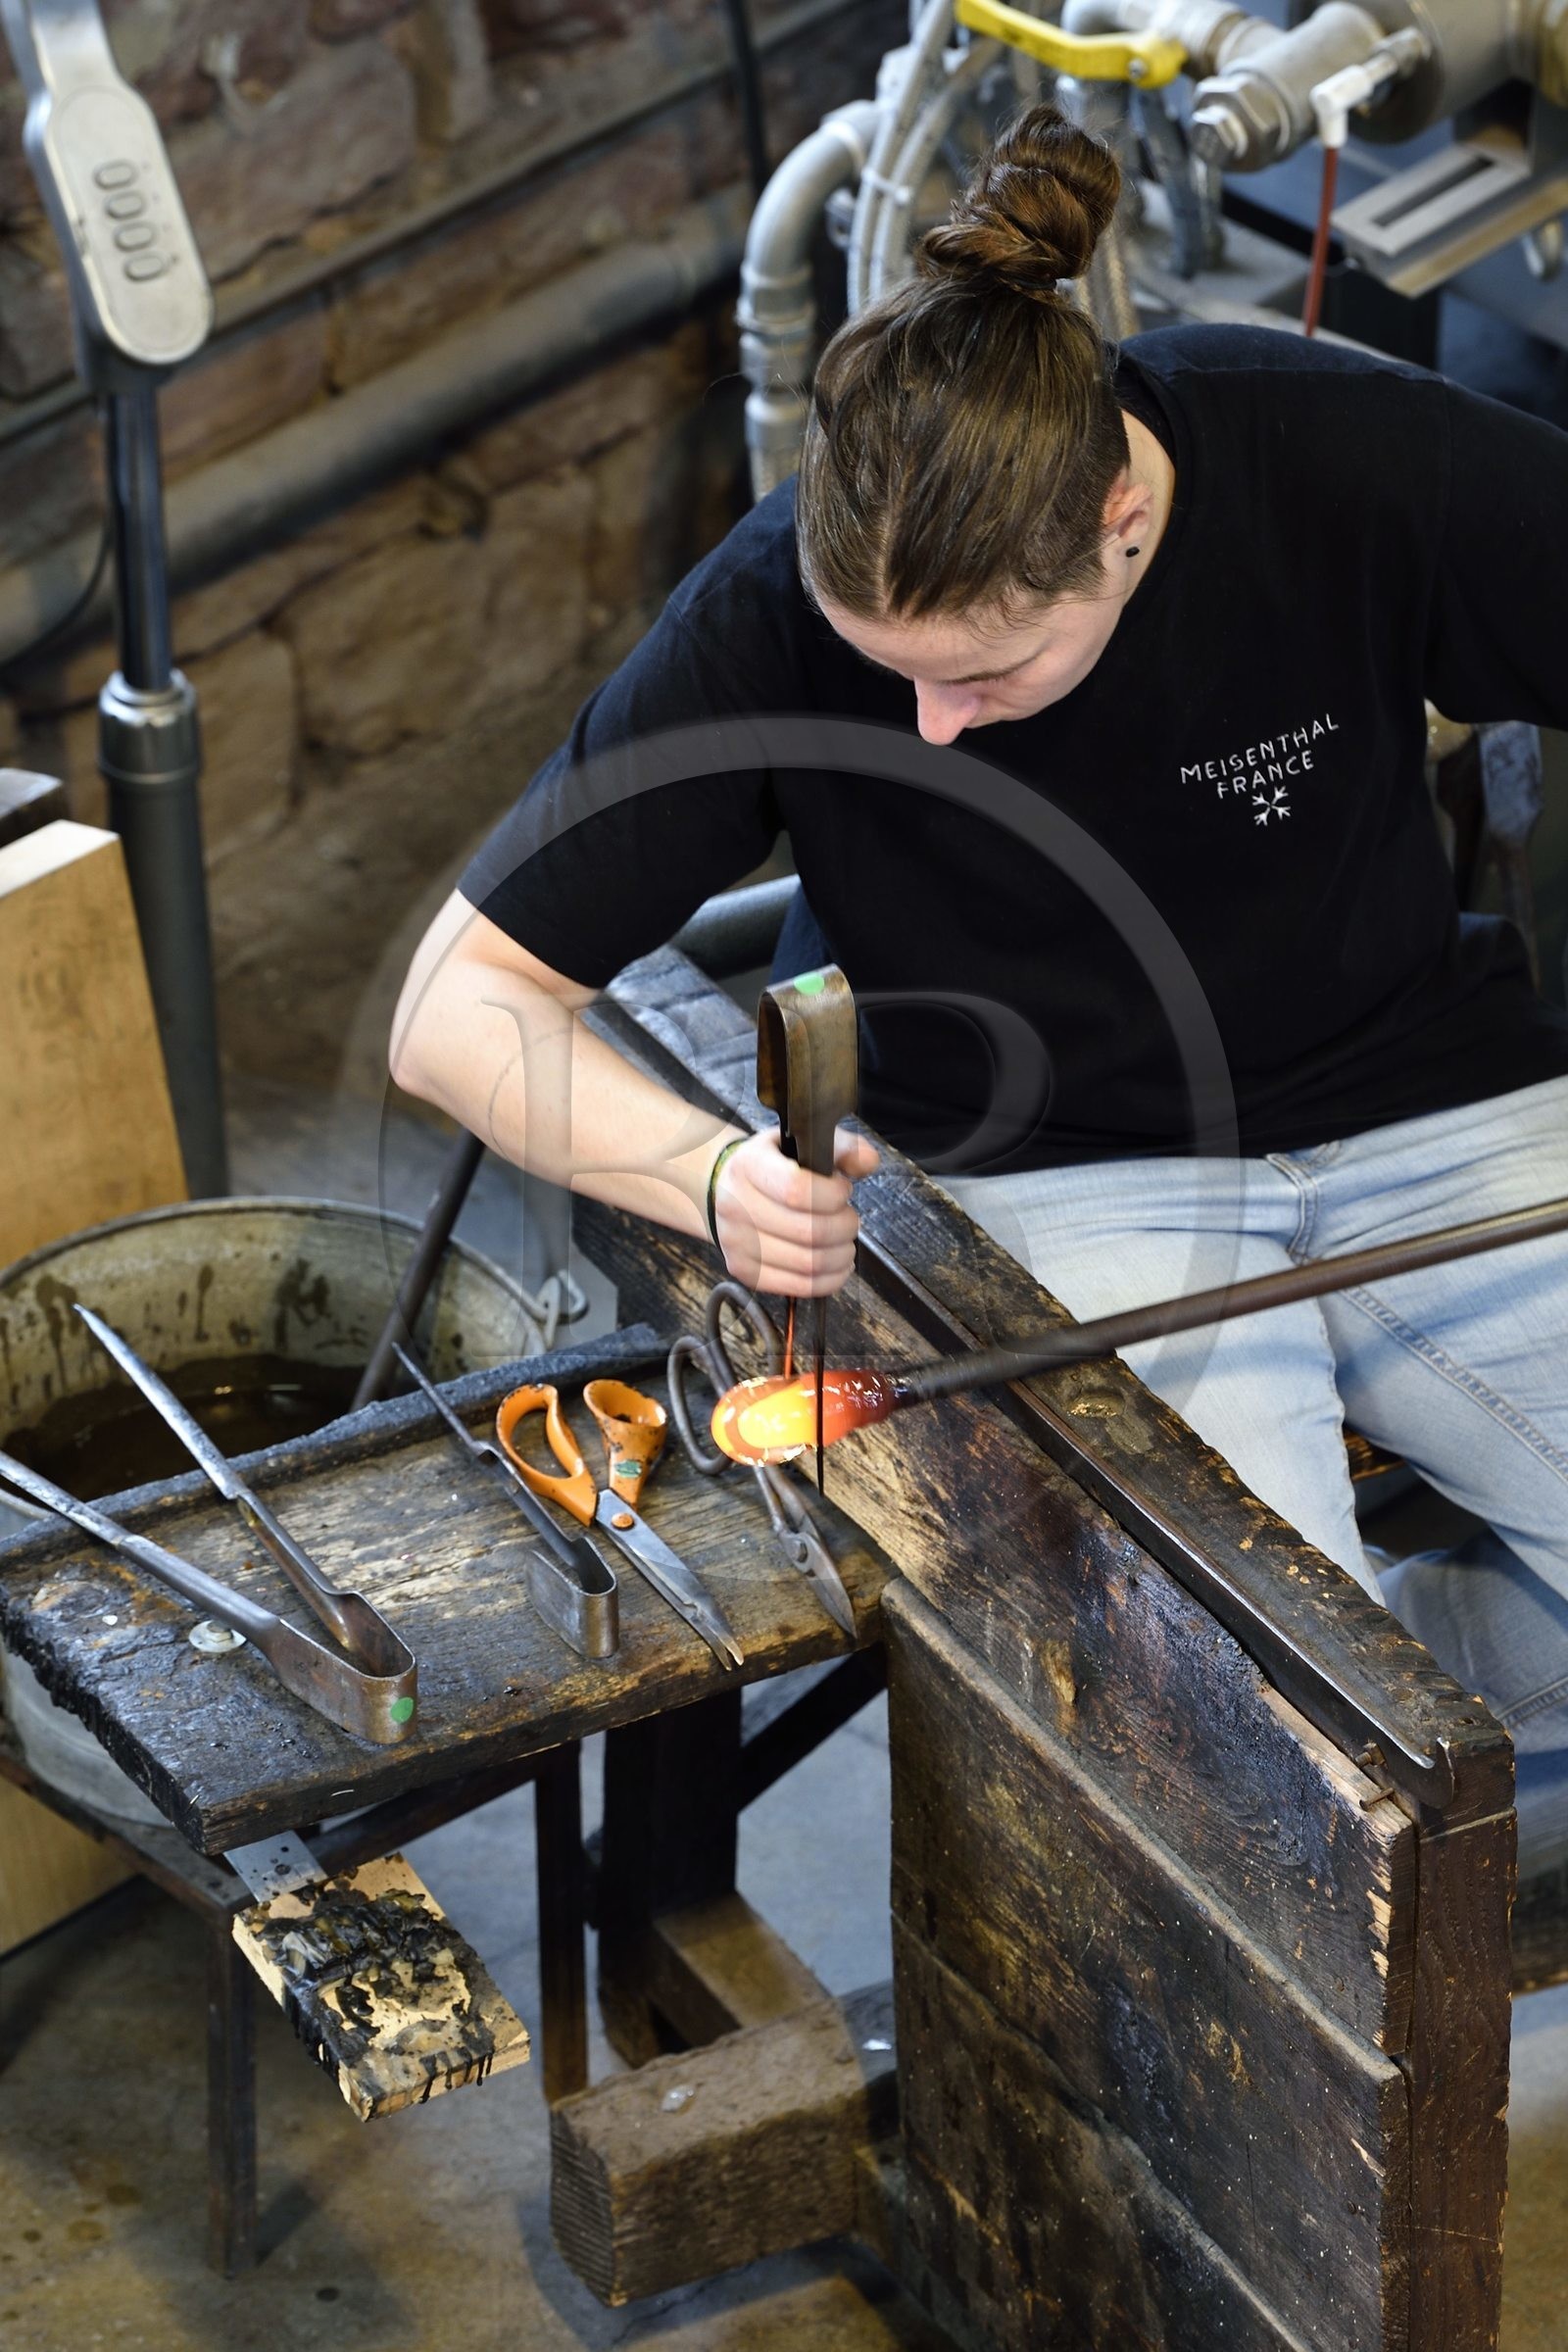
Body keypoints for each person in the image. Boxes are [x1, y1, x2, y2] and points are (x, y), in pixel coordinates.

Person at [393, 105, 1568, 1871]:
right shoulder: (772, 617)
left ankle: (1446, 1668)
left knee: (1387, 1715)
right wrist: (708, 1176)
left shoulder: (1332, 452)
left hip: (1427, 1100)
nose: (931, 730)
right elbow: (454, 1008)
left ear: (1120, 523)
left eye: (986, 675)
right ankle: (1405, 1711)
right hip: (1063, 1181)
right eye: (893, 679)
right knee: (1290, 1765)